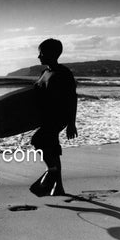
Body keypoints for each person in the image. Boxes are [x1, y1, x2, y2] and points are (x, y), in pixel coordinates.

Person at [29, 39, 77, 196]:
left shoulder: (64, 73)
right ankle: (59, 187)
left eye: (41, 53)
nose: (38, 56)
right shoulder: (44, 73)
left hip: (59, 116)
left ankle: (52, 172)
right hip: (46, 116)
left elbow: (72, 98)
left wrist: (71, 124)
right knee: (52, 149)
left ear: (52, 53)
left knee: (37, 140)